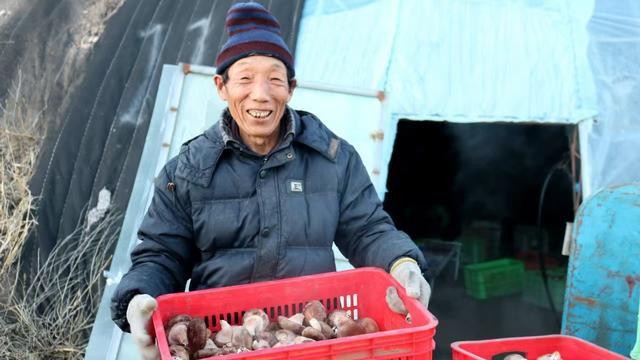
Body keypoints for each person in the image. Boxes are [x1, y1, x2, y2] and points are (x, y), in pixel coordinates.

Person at [110, 2, 430, 358]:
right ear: (221, 86)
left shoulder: (333, 159)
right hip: (219, 342)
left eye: (275, 79)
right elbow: (162, 254)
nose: (260, 94)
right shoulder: (187, 171)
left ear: (290, 88)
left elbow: (368, 229)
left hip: (316, 343)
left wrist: (402, 264)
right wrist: (140, 296)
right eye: (245, 78)